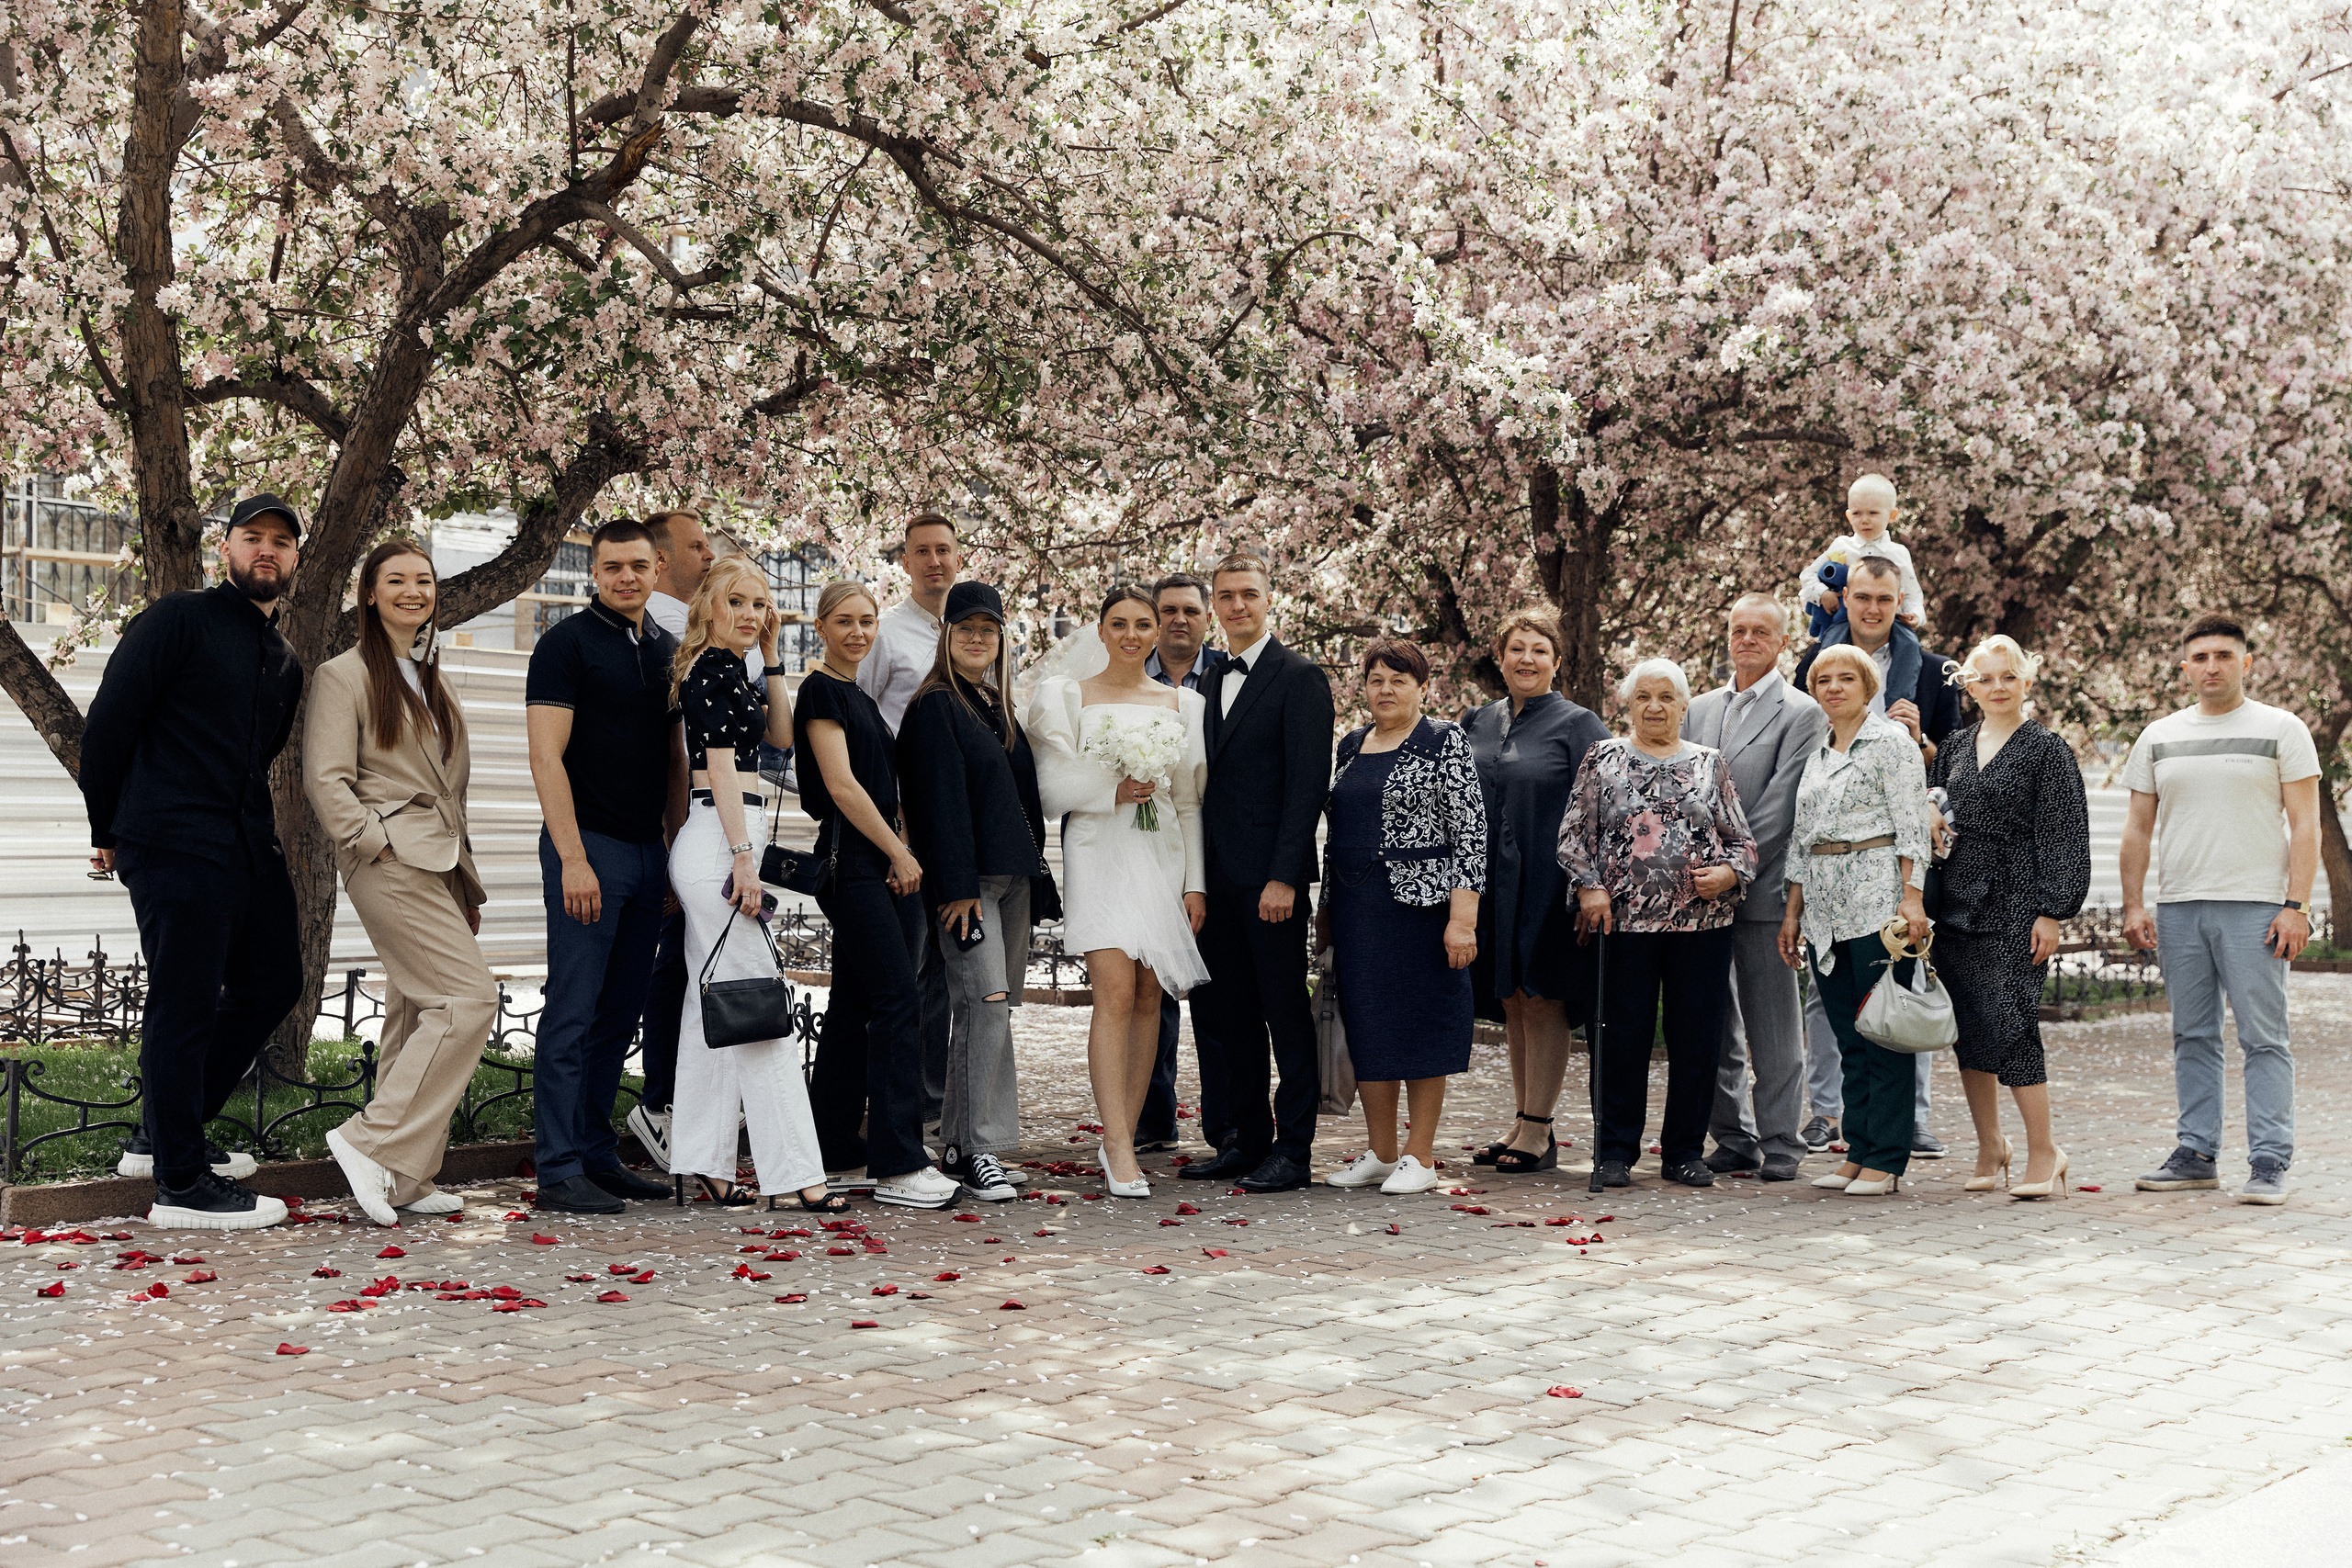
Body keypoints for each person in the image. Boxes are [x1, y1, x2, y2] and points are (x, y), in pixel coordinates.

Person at [80, 494, 307, 1231]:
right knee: (182, 1000)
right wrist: (105, 828)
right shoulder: (178, 619)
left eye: (280, 541)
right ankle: (180, 1182)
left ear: (295, 558)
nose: (265, 550)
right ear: (228, 550)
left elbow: (261, 756)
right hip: (171, 838)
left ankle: (161, 1133)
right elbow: (111, 723)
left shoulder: (284, 659)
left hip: (244, 843)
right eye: (252, 538)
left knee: (275, 980)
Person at [307, 539, 496, 1226]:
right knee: (468, 1000)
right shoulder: (344, 674)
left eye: (423, 580)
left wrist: (464, 883)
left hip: (439, 865)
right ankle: (370, 1139)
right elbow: (326, 779)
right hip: (387, 860)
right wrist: (372, 843)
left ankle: (405, 1178)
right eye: (396, 580)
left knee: (415, 1012)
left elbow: (450, 790)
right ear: (369, 593)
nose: (413, 591)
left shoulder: (427, 673)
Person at [2122, 614, 2321, 1206]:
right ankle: (2196, 1154)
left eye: (2224, 656)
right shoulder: (2157, 736)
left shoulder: (2281, 729)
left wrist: (2298, 906)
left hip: (2257, 908)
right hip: (2180, 907)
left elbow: (2306, 823)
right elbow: (2136, 829)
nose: (2212, 667)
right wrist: (2134, 903)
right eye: (2201, 657)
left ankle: (2268, 1161)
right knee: (2192, 1035)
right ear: (2185, 667)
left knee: (2264, 1038)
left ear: (2246, 663)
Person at [523, 517, 688, 1215]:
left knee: (619, 1014)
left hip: (650, 855)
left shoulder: (668, 650)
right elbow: (544, 755)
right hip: (587, 848)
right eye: (612, 566)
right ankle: (556, 1167)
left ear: (657, 570)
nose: (626, 577)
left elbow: (677, 761)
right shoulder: (564, 645)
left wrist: (675, 855)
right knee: (572, 1009)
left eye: (638, 566)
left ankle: (594, 1154)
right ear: (594, 571)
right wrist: (573, 859)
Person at [667, 557, 839, 1212]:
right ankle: (795, 1175)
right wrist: (744, 858)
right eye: (737, 601)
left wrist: (770, 659)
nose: (750, 613)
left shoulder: (732, 668)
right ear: (709, 604)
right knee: (761, 1007)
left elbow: (781, 737)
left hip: (723, 841)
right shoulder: (707, 668)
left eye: (761, 604)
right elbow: (717, 764)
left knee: (707, 1003)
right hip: (719, 842)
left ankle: (702, 1163)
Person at [1027, 584, 1210, 1198]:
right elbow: (1050, 788)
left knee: (1147, 995)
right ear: (1101, 631)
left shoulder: (1184, 704)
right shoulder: (1068, 696)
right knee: (1113, 989)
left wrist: (1195, 884)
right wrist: (1112, 790)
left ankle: (1127, 1136)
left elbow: (1186, 801)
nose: (1132, 634)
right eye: (1119, 623)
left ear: (1157, 632)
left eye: (1143, 624)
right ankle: (1115, 1141)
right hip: (1099, 852)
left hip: (1160, 856)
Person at [1558, 659, 1758, 1189]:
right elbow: (1573, 837)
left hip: (1702, 924)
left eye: (1666, 697)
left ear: (1684, 705)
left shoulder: (1709, 762)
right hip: (1623, 924)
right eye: (1643, 696)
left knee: (1697, 1039)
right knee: (1620, 1037)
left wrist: (1729, 873)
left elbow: (1743, 841)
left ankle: (1684, 1152)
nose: (1654, 706)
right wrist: (1590, 886)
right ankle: (1615, 1150)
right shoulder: (1603, 759)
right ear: (1628, 704)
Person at [1793, 551, 1962, 1156]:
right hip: (1828, 889)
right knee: (1841, 1015)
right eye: (1861, 596)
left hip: (1890, 870)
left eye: (1884, 599)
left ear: (1900, 604)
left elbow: (1948, 766)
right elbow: (1804, 813)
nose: (1871, 607)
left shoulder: (1934, 672)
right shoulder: (1815, 677)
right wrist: (1795, 904)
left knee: (1891, 1008)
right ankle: (1837, 1120)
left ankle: (1896, 1134)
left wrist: (1918, 740)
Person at [798, 581, 959, 1209]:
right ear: (820, 625)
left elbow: (880, 789)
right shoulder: (821, 690)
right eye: (845, 621)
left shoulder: (859, 695)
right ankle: (897, 1163)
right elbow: (840, 786)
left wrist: (898, 849)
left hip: (880, 866)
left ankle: (833, 1149)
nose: (859, 631)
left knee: (851, 1008)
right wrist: (898, 851)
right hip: (853, 868)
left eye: (868, 621)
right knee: (897, 1001)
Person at [1184, 553, 1336, 1194]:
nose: (1237, 605)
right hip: (1216, 882)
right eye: (1226, 595)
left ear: (1269, 600)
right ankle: (1247, 1140)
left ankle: (1294, 1149)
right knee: (1230, 1015)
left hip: (1269, 884)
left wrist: (1284, 877)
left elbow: (1307, 785)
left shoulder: (1299, 677)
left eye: (1249, 593)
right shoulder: (1208, 680)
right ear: (1214, 604)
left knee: (1283, 1012)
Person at [900, 582, 1054, 1203]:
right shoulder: (937, 706)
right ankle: (975, 1144)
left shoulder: (992, 703)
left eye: (987, 629)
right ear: (945, 634)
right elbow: (937, 803)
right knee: (984, 999)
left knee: (993, 1008)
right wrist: (955, 885)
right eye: (965, 627)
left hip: (1011, 880)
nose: (976, 637)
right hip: (969, 887)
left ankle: (966, 1145)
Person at [1319, 640, 1487, 1196]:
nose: (1386, 690)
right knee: (1368, 1024)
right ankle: (1382, 1151)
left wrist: (1462, 920)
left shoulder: (1444, 741)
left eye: (1399, 680)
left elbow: (1469, 834)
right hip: (1356, 905)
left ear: (1421, 687)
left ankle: (1422, 1155)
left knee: (1420, 1022)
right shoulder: (1349, 745)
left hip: (1422, 907)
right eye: (1376, 680)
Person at [1928, 636, 2091, 1199]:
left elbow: (2065, 835)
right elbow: (1939, 805)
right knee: (1969, 1026)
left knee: (2013, 1023)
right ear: (1968, 685)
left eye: (2008, 677)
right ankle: (1990, 1144)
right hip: (1956, 901)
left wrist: (2053, 911)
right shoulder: (1952, 746)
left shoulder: (2049, 750)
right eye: (1985, 678)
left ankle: (2046, 1152)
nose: (1997, 687)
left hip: (2019, 903)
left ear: (2026, 681)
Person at [1778, 644, 1933, 1197]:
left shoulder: (1892, 745)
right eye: (1824, 679)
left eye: (1847, 678)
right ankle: (1859, 1151)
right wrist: (1791, 914)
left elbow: (1913, 826)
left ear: (1869, 688)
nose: (1834, 687)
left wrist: (1912, 899)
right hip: (1823, 909)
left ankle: (1888, 1158)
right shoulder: (1817, 752)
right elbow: (1801, 841)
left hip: (1877, 903)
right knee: (1848, 1035)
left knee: (1883, 1034)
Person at [1682, 593, 1826, 1182]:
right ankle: (1733, 1138)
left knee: (1774, 1026)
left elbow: (1781, 807)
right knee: (1715, 1024)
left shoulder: (1802, 713)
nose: (1747, 640)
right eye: (1738, 629)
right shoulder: (1696, 709)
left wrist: (1733, 870)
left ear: (1781, 642)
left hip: (1762, 890)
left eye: (1760, 632)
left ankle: (1782, 1141)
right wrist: (1695, 872)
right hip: (1697, 893)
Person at [1461, 609, 1609, 1174]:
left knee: (1543, 997)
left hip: (1551, 883)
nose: (1526, 659)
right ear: (1499, 658)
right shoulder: (1478, 719)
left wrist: (1589, 887)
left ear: (1556, 660)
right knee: (1511, 1000)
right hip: (1491, 883)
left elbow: (1603, 808)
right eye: (1516, 649)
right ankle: (1523, 1120)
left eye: (1539, 650)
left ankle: (1541, 1130)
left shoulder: (1578, 723)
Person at [856, 512, 963, 1141]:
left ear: (959, 555)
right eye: (921, 551)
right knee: (910, 960)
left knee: (952, 964)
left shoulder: (972, 630)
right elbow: (861, 726)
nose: (934, 561)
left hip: (956, 820)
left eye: (943, 550)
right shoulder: (886, 635)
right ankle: (909, 1098)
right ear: (905, 561)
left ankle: (940, 1092)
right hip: (901, 825)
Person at [630, 505, 728, 1176]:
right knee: (673, 963)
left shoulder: (700, 633)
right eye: (698, 546)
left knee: (694, 961)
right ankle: (660, 1103)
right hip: (679, 817)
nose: (711, 556)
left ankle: (685, 1101)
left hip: (715, 814)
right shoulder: (662, 638)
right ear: (662, 561)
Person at [1140, 571, 1229, 1154]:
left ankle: (1224, 1127)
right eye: (1167, 610)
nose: (1179, 620)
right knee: (1150, 993)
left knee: (1217, 1001)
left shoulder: (1229, 677)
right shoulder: (1126, 674)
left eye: (1189, 611)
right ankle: (1151, 1121)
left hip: (1215, 853)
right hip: (1141, 855)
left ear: (1206, 618)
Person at [1799, 473, 1925, 637]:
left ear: (1892, 515)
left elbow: (1912, 594)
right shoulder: (1842, 546)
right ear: (1849, 516)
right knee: (1829, 648)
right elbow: (1807, 575)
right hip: (1844, 624)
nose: (1864, 520)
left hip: (1887, 629)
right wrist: (1822, 594)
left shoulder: (1898, 553)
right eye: (1857, 514)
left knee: (1909, 646)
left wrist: (1915, 615)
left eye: (1873, 513)